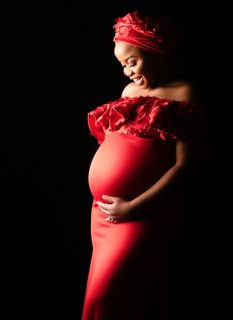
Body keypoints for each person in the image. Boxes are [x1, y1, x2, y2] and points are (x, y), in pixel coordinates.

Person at [81, 10, 213, 320]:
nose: (126, 71)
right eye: (122, 64)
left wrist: (134, 207)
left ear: (156, 53)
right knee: (118, 293)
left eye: (132, 62)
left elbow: (184, 166)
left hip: (144, 211)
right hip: (103, 215)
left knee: (110, 291)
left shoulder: (184, 93)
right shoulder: (129, 93)